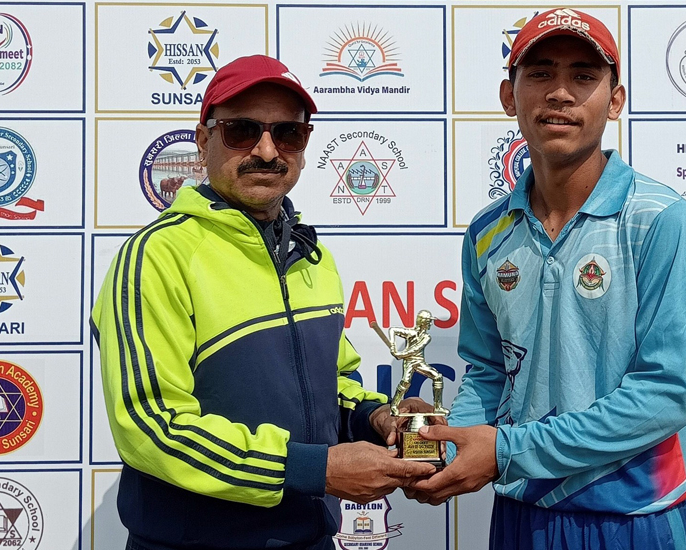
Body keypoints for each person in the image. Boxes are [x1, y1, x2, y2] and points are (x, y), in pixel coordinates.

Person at [90, 55, 437, 550]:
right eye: (242, 131)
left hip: (311, 538)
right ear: (204, 140)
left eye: (288, 133)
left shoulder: (311, 256)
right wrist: (314, 469)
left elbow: (332, 386)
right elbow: (152, 427)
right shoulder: (157, 256)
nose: (268, 150)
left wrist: (377, 418)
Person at [406, 8, 686, 549]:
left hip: (635, 514)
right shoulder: (487, 232)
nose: (560, 93)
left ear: (614, 100)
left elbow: (664, 395)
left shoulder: (660, 218)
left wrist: (504, 451)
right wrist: (444, 450)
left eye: (583, 76)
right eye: (541, 73)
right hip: (523, 514)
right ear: (509, 96)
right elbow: (490, 371)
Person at [387, 310, 449, 416]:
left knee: (437, 377)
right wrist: (393, 347)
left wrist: (400, 354)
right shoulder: (411, 333)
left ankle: (438, 407)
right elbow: (392, 330)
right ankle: (394, 406)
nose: (430, 324)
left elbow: (415, 349)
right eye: (428, 322)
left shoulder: (426, 337)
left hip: (419, 362)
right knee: (405, 382)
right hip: (409, 362)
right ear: (423, 322)